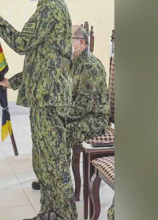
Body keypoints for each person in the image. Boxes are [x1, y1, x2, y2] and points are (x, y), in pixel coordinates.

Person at [0, 0, 76, 220]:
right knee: (43, 165)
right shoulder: (49, 7)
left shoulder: (51, 9)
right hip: (45, 96)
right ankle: (48, 215)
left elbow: (21, 43)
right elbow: (42, 58)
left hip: (51, 100)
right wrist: (13, 82)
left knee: (54, 166)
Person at [31, 25, 110, 190]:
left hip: (94, 119)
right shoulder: (71, 62)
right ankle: (50, 175)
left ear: (81, 43)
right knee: (46, 125)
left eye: (68, 39)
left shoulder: (90, 67)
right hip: (80, 114)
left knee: (61, 132)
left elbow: (83, 106)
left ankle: (58, 181)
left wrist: (59, 116)